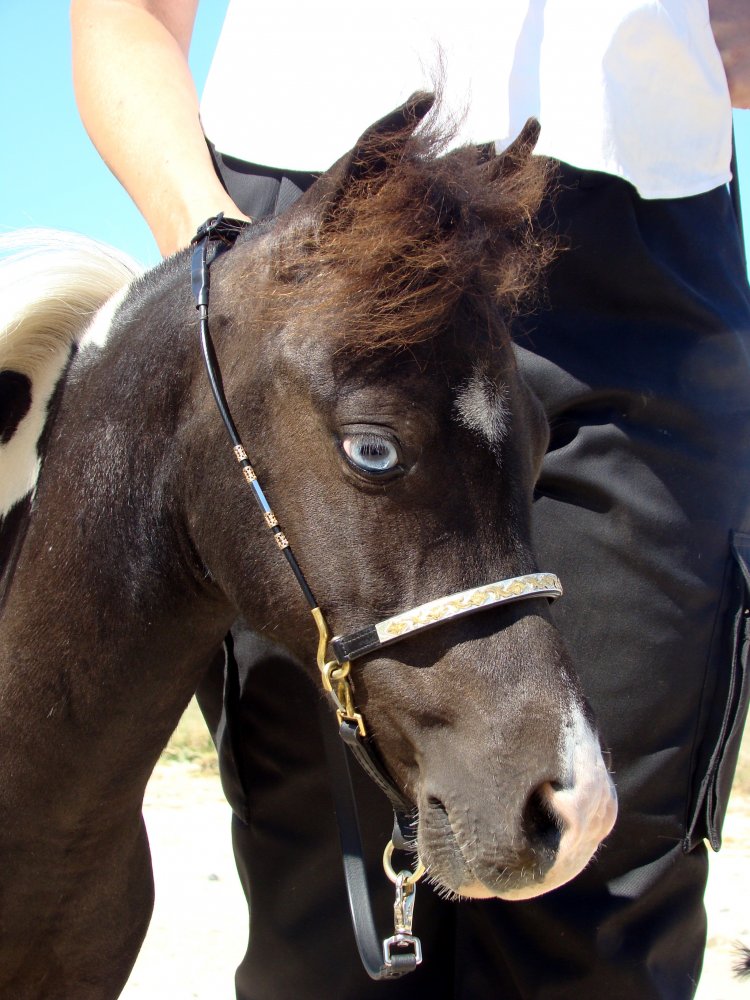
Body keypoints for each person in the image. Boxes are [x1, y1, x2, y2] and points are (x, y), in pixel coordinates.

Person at [71, 1, 750, 997]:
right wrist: (219, 252)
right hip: (313, 224)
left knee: (599, 904)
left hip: (635, 227)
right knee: (329, 927)